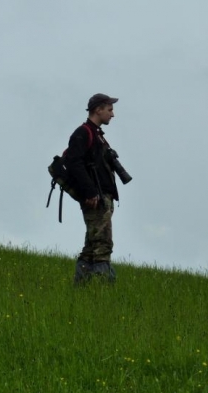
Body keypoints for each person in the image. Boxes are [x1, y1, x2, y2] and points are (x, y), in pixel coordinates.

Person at [65, 93, 121, 285]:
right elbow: (74, 163)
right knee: (102, 244)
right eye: (109, 109)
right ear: (98, 109)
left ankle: (81, 287)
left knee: (91, 246)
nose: (112, 114)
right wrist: (89, 192)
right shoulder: (83, 133)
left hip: (100, 197)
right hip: (95, 199)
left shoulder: (95, 134)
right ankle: (103, 288)